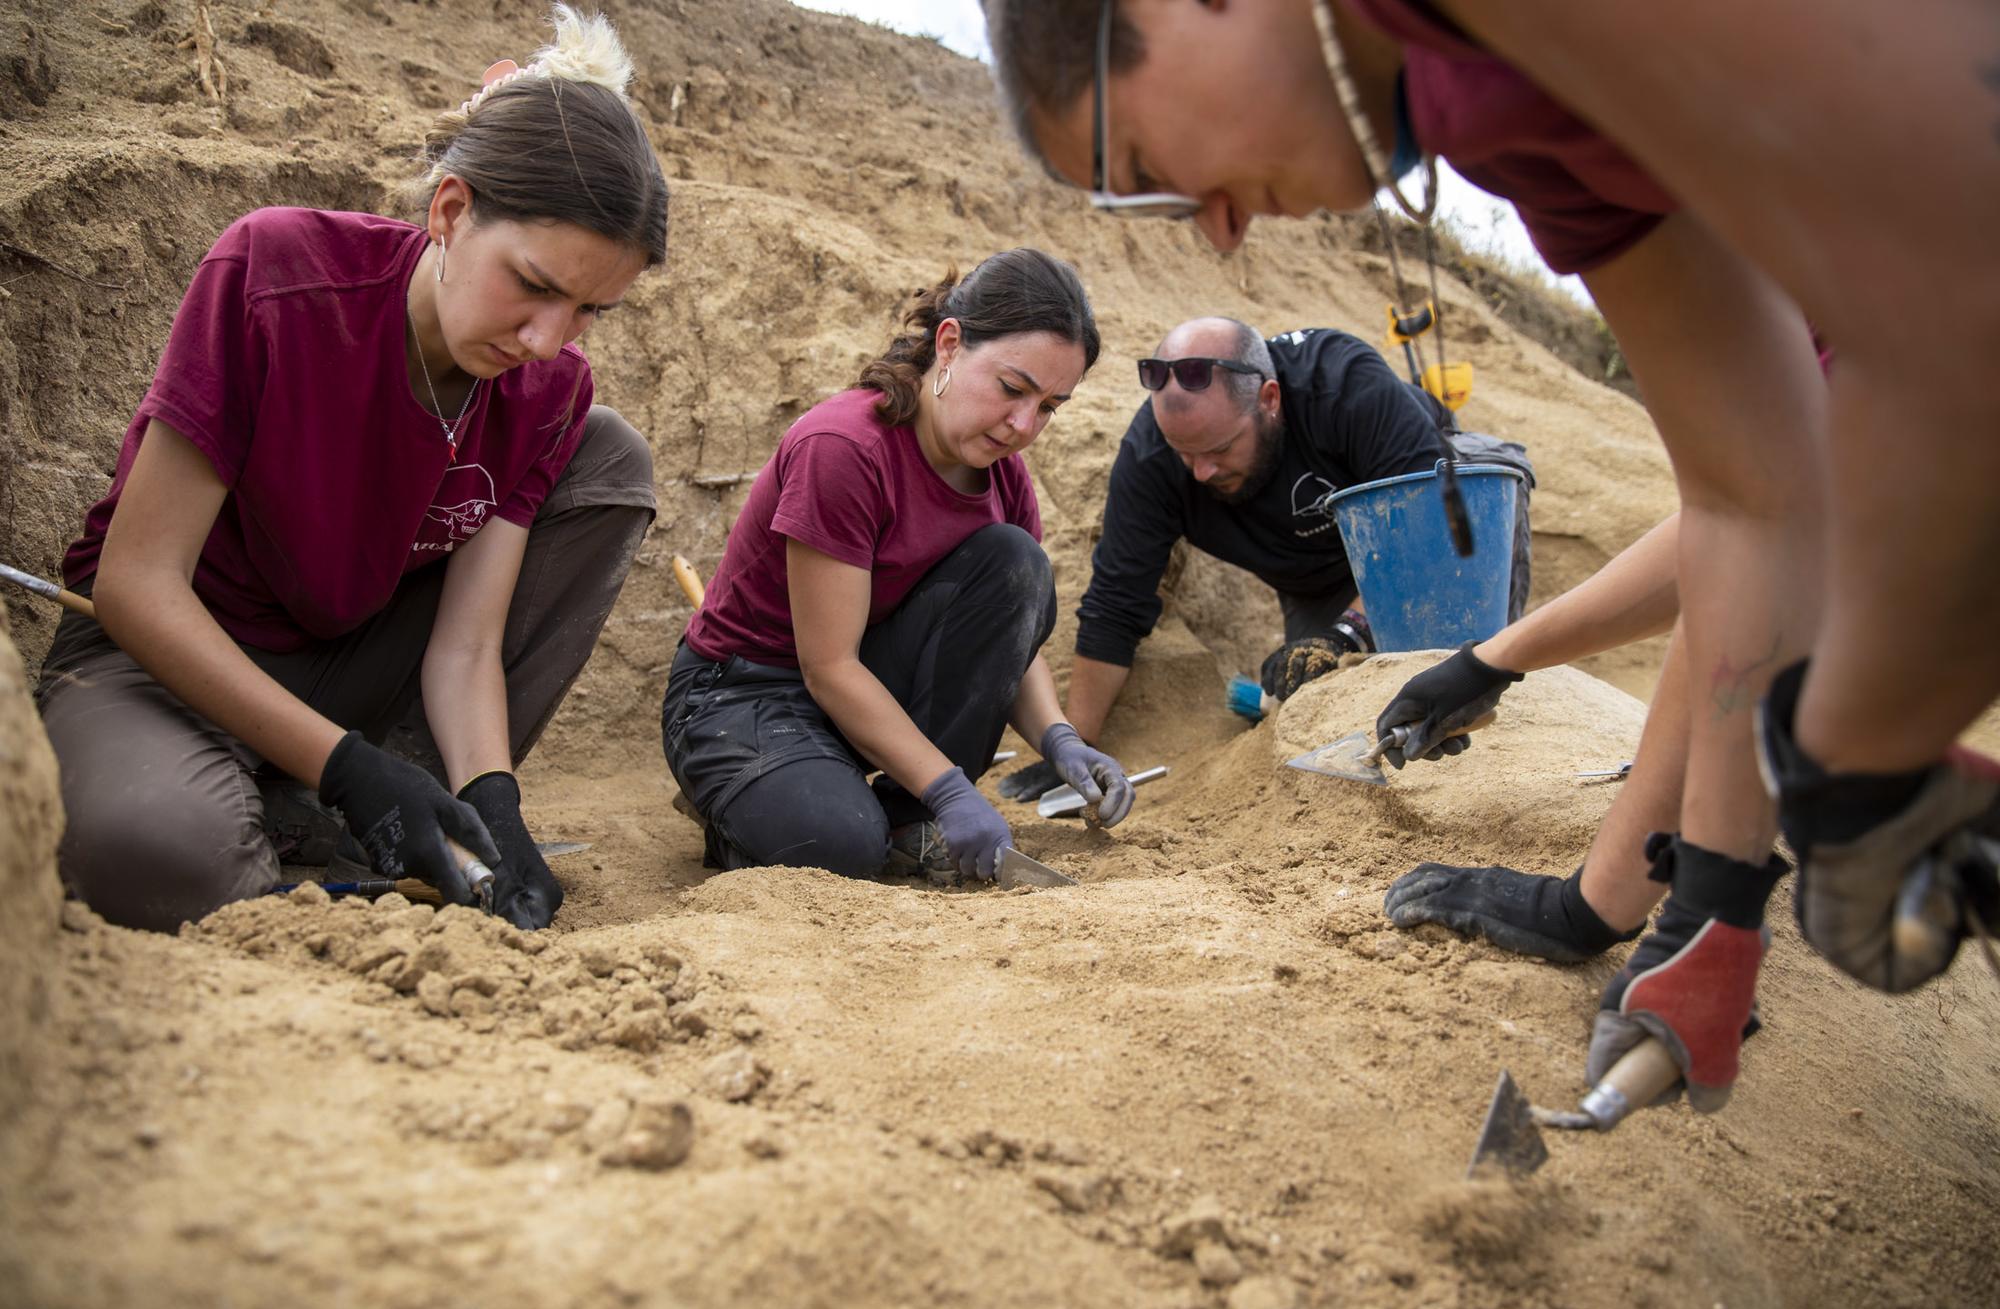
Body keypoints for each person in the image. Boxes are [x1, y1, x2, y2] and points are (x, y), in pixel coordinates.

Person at [980, 0, 2000, 1114]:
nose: (1219, 228)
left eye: (1148, 169)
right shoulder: (1518, 135)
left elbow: (1958, 329)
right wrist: (1664, 899)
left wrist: (1859, 751)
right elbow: (1749, 508)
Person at [36, 5, 667, 933]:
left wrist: (492, 799)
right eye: (535, 285)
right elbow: (135, 584)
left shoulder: (548, 388)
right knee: (159, 855)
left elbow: (464, 648)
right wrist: (347, 769)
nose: (547, 339)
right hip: (162, 664)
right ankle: (324, 802)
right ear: (450, 211)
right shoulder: (279, 275)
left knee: (611, 453)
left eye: (589, 311)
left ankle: (391, 810)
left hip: (345, 668)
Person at [661, 249, 1136, 883]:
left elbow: (1006, 642)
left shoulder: (1003, 474)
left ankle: (907, 818)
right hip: (746, 693)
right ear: (950, 343)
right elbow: (828, 666)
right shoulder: (844, 448)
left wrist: (1060, 739)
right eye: (1012, 388)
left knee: (1015, 562)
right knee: (842, 847)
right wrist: (950, 788)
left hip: (862, 685)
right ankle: (745, 800)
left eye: (1050, 406)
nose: (1024, 424)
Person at [1002, 314, 1532, 801]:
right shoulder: (1151, 457)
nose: (1200, 473)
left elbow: (1428, 537)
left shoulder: (1342, 383)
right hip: (1316, 571)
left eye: (1218, 450)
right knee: (1320, 705)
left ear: (1270, 399)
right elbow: (1116, 606)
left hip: (1440, 516)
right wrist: (1073, 744)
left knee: (1451, 672)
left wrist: (1346, 633)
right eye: (1184, 454)